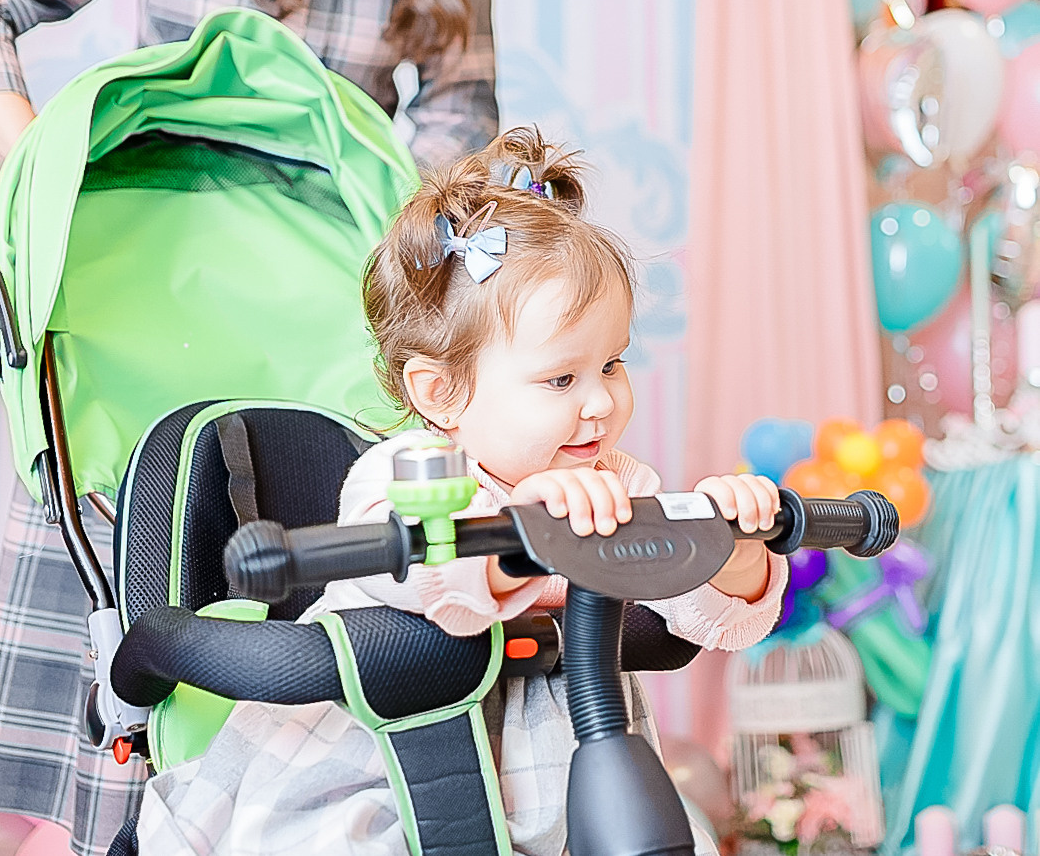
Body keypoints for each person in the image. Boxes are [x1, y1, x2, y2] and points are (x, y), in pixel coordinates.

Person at [0, 0, 495, 852]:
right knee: (131, 669)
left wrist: (414, 258)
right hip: (146, 316)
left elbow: (462, 129)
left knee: (300, 712)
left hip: (329, 341)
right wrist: (49, 166)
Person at [136, 126, 788, 856]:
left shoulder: (619, 484)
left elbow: (705, 615)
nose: (601, 402)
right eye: (560, 379)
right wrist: (527, 538)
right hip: (381, 771)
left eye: (613, 364)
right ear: (441, 392)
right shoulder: (414, 472)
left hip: (571, 783)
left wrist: (731, 551)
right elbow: (426, 574)